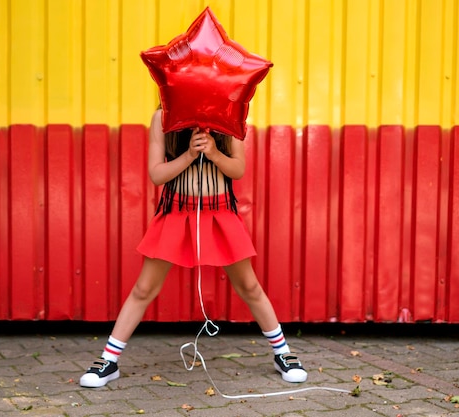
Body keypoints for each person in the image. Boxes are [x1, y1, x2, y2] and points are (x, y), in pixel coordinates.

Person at [80, 108, 307, 388]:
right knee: (143, 289)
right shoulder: (163, 118)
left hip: (220, 212)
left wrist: (213, 152)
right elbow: (156, 174)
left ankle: (282, 354)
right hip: (176, 212)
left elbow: (238, 169)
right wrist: (188, 154)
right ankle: (109, 361)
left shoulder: (230, 117)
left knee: (249, 287)